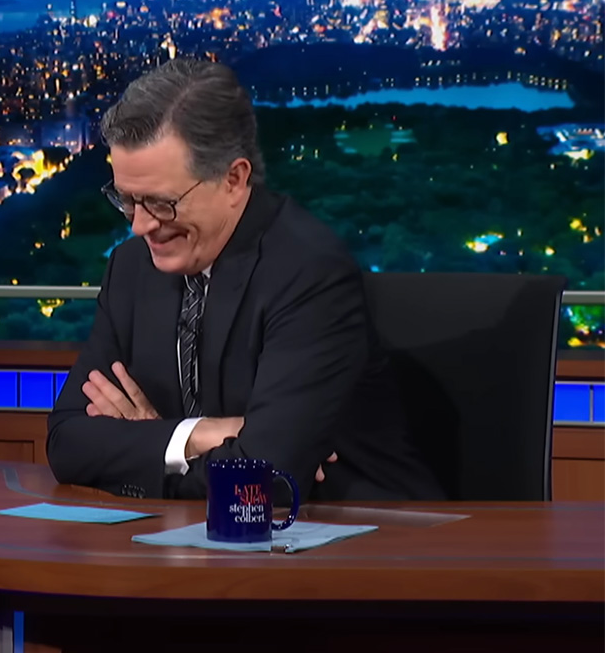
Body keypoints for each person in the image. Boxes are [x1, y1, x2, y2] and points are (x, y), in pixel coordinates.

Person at [46, 58, 443, 502]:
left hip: (363, 531)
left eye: (161, 203)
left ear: (233, 180)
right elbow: (66, 444)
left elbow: (266, 477)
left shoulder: (309, 272)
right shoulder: (131, 268)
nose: (140, 225)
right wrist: (192, 437)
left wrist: (148, 447)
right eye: (126, 200)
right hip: (202, 533)